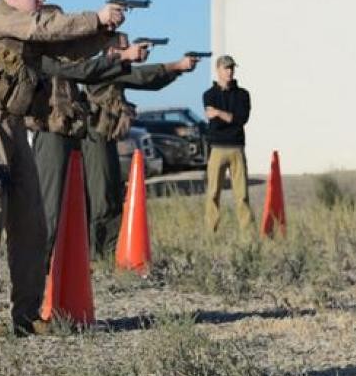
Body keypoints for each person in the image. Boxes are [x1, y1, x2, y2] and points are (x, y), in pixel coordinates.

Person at [0, 0, 124, 337]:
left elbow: (63, 50)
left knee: (31, 217)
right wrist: (94, 17)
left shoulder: (24, 28)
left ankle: (27, 313)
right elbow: (42, 28)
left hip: (13, 123)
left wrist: (104, 34)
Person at [31, 34, 149, 259]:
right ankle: (44, 262)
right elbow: (82, 72)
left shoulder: (83, 63)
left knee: (88, 199)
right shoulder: (47, 59)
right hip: (54, 132)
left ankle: (85, 255)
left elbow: (138, 77)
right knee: (52, 203)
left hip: (76, 133)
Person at [83, 38, 199, 258]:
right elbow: (140, 76)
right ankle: (96, 253)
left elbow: (149, 82)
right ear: (111, 51)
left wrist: (176, 71)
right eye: (124, 48)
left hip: (105, 137)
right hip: (95, 136)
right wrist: (176, 66)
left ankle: (107, 251)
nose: (131, 52)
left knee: (112, 194)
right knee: (101, 197)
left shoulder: (111, 70)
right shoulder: (102, 70)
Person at [202, 54, 253, 233]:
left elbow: (241, 119)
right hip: (217, 148)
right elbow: (213, 119)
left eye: (231, 68)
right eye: (226, 68)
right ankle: (211, 231)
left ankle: (247, 233)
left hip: (237, 148)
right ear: (218, 70)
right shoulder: (209, 95)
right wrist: (225, 116)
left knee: (242, 194)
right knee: (213, 193)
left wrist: (219, 113)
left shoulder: (243, 95)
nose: (230, 71)